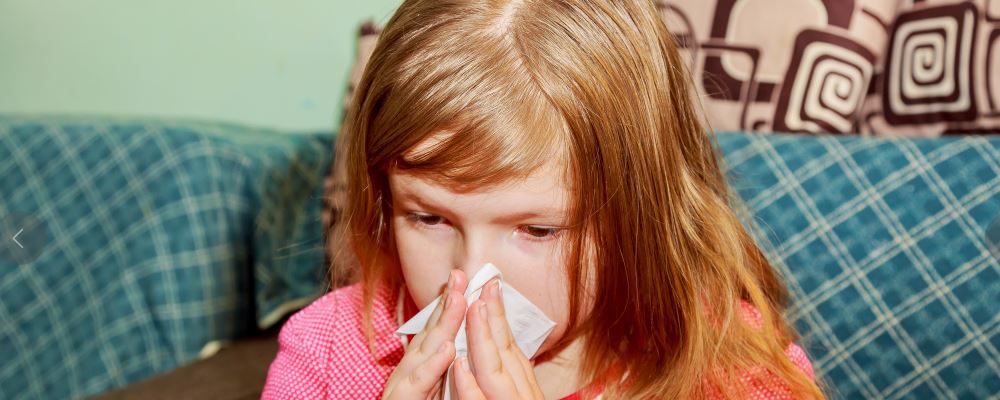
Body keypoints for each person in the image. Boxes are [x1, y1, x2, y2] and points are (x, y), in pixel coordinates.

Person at [262, 0, 824, 398]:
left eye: (537, 230)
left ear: (638, 215)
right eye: (428, 217)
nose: (473, 277)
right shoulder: (327, 353)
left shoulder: (735, 372)